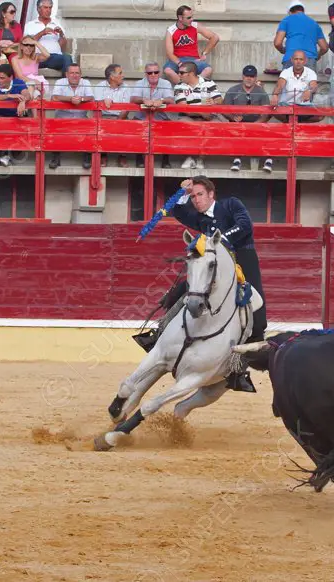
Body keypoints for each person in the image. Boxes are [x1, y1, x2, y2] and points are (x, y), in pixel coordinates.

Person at [137, 176, 266, 393]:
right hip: (215, 263)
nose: (196, 200)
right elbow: (179, 212)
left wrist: (219, 239)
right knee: (180, 292)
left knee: (256, 304)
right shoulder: (200, 218)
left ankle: (240, 366)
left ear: (211, 194)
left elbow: (245, 225)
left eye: (199, 194)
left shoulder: (231, 204)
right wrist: (181, 194)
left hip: (242, 257)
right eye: (193, 196)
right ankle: (159, 336)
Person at [224, 65, 271, 173]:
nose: (249, 78)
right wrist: (233, 117)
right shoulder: (233, 90)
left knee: (267, 132)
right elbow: (224, 109)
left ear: (255, 78)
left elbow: (267, 113)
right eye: (247, 76)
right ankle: (237, 159)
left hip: (256, 124)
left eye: (252, 76)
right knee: (236, 131)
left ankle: (268, 160)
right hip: (238, 123)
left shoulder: (261, 92)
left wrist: (257, 123)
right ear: (242, 77)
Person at [48, 63, 94, 169]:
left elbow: (91, 97)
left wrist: (81, 99)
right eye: (72, 73)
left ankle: (87, 157)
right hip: (62, 118)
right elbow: (54, 98)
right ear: (67, 74)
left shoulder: (85, 82)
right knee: (53, 127)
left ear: (81, 74)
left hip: (81, 118)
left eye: (77, 73)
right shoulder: (60, 82)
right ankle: (55, 157)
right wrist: (71, 99)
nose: (74, 75)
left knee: (91, 128)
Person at [130, 61, 174, 169]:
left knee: (168, 129)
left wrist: (161, 101)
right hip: (142, 115)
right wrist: (144, 100)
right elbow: (133, 98)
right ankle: (139, 158)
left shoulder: (166, 83)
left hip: (161, 116)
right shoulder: (140, 83)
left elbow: (171, 99)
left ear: (159, 73)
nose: (153, 75)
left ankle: (165, 159)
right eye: (150, 73)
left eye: (156, 72)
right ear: (146, 74)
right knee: (135, 127)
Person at [163, 5, 219, 85]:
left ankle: (194, 88)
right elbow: (169, 53)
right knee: (167, 70)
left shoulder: (195, 26)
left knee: (208, 70)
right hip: (178, 60)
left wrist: (204, 53)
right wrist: (180, 64)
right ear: (180, 18)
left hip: (193, 60)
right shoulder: (171, 30)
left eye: (192, 17)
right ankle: (184, 88)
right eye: (188, 18)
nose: (192, 19)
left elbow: (215, 37)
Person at [94, 63, 131, 167]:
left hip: (121, 117)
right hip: (104, 117)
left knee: (127, 126)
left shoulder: (126, 87)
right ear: (112, 77)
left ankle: (122, 156)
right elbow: (97, 106)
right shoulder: (99, 86)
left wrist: (118, 121)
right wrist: (103, 101)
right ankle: (103, 155)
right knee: (100, 125)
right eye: (120, 73)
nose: (123, 75)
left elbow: (126, 108)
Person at [275, 0, 327, 71]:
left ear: (290, 12)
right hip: (310, 60)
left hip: (291, 58)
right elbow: (324, 47)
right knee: (309, 82)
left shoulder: (286, 20)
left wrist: (283, 50)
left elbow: (277, 43)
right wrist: (318, 55)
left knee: (290, 82)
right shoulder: (314, 24)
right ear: (303, 11)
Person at [24, 0, 73, 74]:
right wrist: (42, 33)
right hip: (38, 57)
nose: (48, 10)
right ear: (38, 9)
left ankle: (67, 84)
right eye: (45, 8)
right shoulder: (30, 25)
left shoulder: (56, 24)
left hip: (54, 57)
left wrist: (61, 35)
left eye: (50, 8)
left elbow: (63, 48)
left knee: (67, 57)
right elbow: (25, 43)